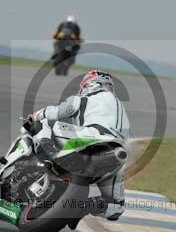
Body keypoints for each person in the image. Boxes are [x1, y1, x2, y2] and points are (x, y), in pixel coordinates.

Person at [29, 69, 129, 221]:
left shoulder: (88, 97)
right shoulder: (120, 106)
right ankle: (83, 206)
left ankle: (49, 156)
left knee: (43, 124)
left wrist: (36, 115)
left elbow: (58, 112)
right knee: (116, 207)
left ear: (88, 84)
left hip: (89, 138)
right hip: (118, 154)